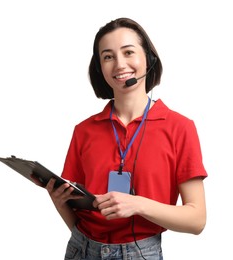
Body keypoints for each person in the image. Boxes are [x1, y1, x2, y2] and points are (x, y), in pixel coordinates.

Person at [45, 17, 208, 260]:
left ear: (148, 59)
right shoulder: (84, 130)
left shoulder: (180, 127)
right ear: (100, 67)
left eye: (128, 52)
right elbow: (77, 215)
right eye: (108, 56)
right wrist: (59, 201)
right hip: (81, 248)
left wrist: (137, 204)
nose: (119, 64)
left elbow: (197, 220)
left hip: (141, 252)